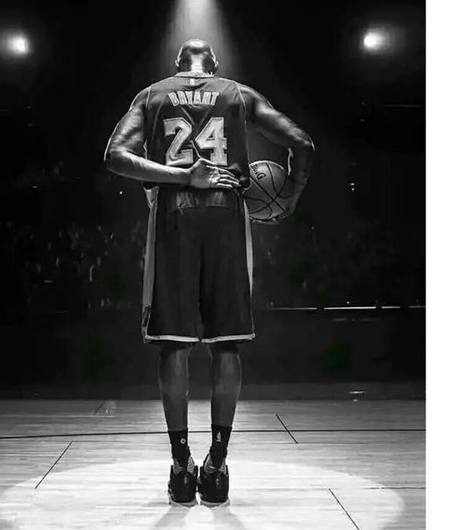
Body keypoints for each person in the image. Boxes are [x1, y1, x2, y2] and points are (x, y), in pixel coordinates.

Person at [104, 38, 314, 506]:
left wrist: (182, 176)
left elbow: (115, 156)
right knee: (227, 343)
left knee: (174, 344)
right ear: (214, 64)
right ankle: (217, 465)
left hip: (173, 212)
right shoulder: (238, 93)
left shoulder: (152, 94)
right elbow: (302, 142)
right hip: (227, 213)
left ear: (178, 64)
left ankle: (182, 467)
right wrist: (291, 195)